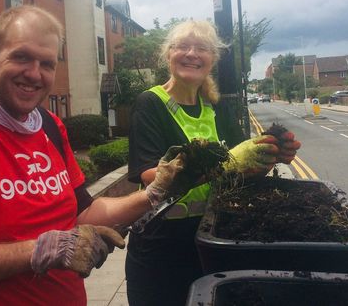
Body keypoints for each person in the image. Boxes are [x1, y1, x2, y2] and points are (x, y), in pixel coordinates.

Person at [0, 5, 197, 306]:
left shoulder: (50, 126)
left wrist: (155, 193)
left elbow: (83, 213)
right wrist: (42, 250)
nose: (34, 74)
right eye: (21, 57)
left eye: (46, 63)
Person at [125, 20, 301, 306]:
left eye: (202, 49)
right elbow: (149, 176)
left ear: (212, 60)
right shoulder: (150, 104)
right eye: (182, 46)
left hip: (213, 241)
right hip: (161, 250)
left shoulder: (215, 107)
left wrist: (269, 155)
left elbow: (241, 171)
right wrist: (227, 163)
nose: (192, 54)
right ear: (168, 54)